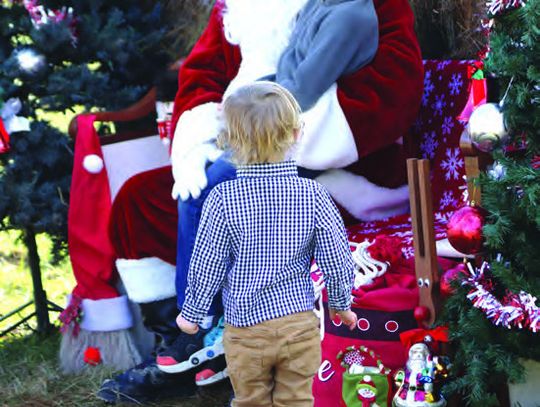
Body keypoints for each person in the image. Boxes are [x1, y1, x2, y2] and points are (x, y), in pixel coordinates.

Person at [97, 0, 423, 403]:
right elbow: (202, 77)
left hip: (337, 167)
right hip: (239, 147)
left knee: (226, 194)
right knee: (142, 198)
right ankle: (182, 348)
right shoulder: (238, 9)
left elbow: (394, 87)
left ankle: (212, 342)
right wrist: (202, 139)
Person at [176, 81, 358, 406]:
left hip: (246, 330)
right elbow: (337, 257)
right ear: (297, 134)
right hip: (298, 325)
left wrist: (193, 313)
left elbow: (207, 261)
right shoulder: (313, 195)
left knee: (250, 400)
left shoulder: (222, 198)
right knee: (297, 399)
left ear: (230, 142)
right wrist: (341, 303)